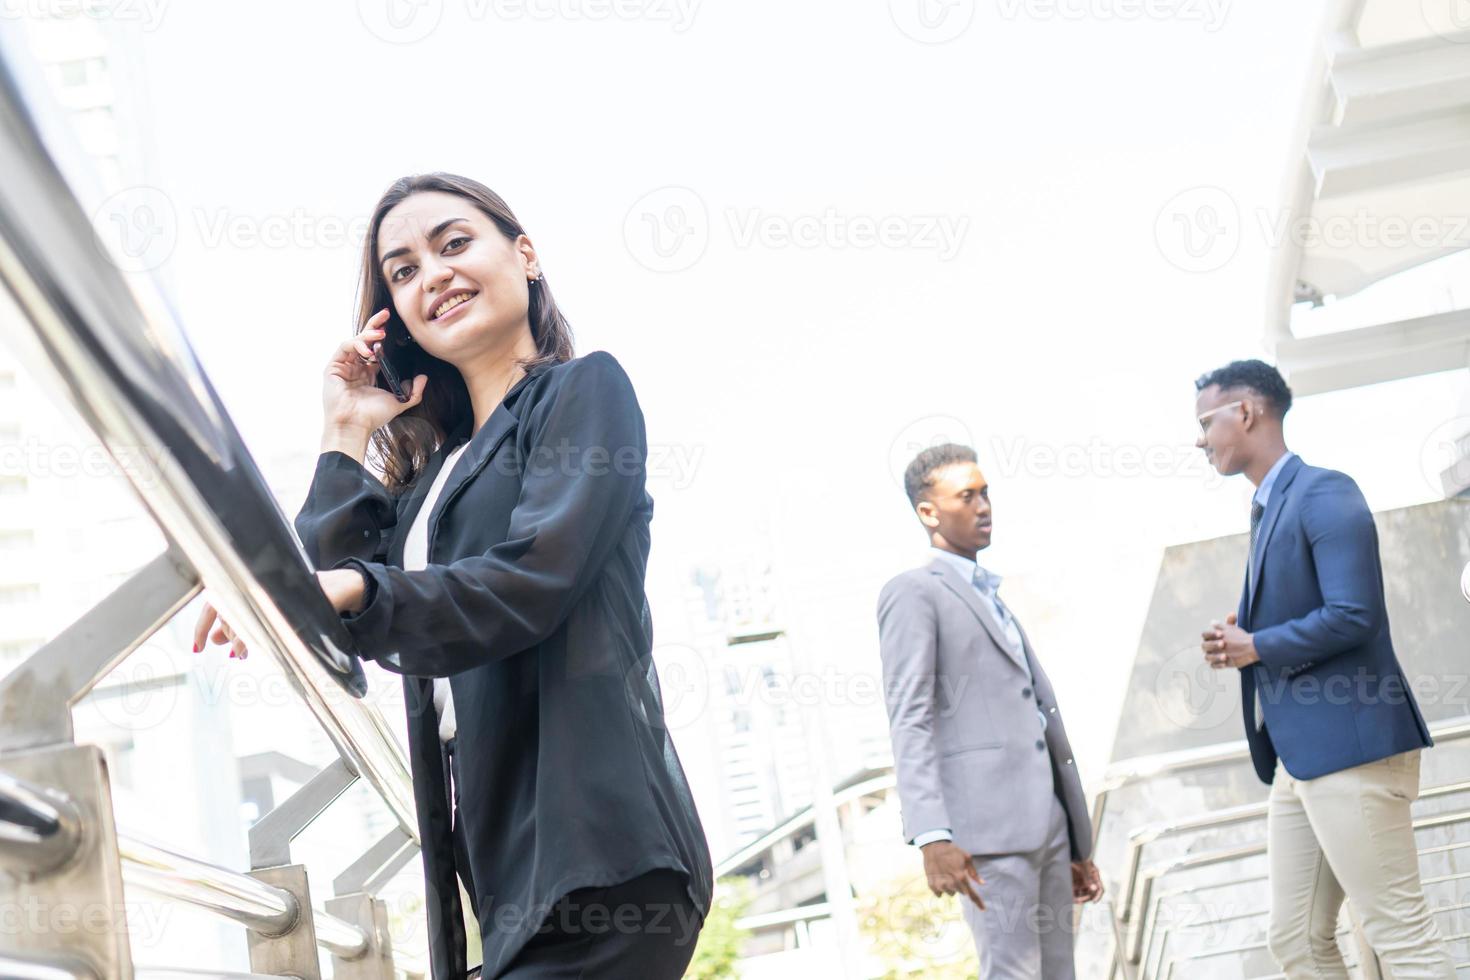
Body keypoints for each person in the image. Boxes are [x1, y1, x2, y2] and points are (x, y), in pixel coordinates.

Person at [195, 173, 712, 979]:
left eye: (454, 244)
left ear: (526, 255)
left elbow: (531, 580)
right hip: (499, 877)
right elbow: (329, 590)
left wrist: (356, 592)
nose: (431, 275)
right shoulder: (430, 480)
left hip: (600, 858)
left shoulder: (583, 393)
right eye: (402, 271)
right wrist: (345, 431)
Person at [1194, 359, 1450, 978]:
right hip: (1300, 761)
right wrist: (1241, 642)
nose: (1199, 439)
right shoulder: (1270, 506)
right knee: (1298, 943)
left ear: (1246, 413)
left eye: (1207, 421)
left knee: (1401, 938)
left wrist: (1256, 645)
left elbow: (1355, 614)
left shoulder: (1325, 491)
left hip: (1351, 752)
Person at [876, 443, 1102, 979]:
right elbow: (910, 716)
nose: (983, 506)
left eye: (985, 493)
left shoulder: (990, 596)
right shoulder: (913, 593)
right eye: (965, 496)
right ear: (928, 512)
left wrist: (1073, 838)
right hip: (988, 837)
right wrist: (932, 834)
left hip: (1047, 825)